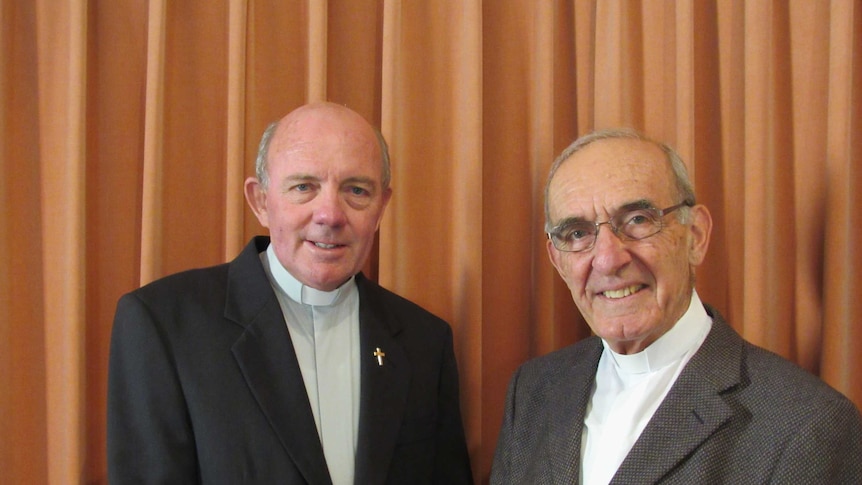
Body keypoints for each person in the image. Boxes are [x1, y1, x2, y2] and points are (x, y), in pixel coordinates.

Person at [108, 102, 473, 484]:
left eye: (356, 190)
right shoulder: (164, 326)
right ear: (261, 201)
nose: (330, 215)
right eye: (304, 187)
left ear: (381, 208)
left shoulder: (424, 342)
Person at [491, 128, 862, 484]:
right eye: (578, 233)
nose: (607, 259)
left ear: (695, 237)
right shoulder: (534, 390)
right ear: (557, 260)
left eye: (637, 220)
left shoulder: (807, 425)